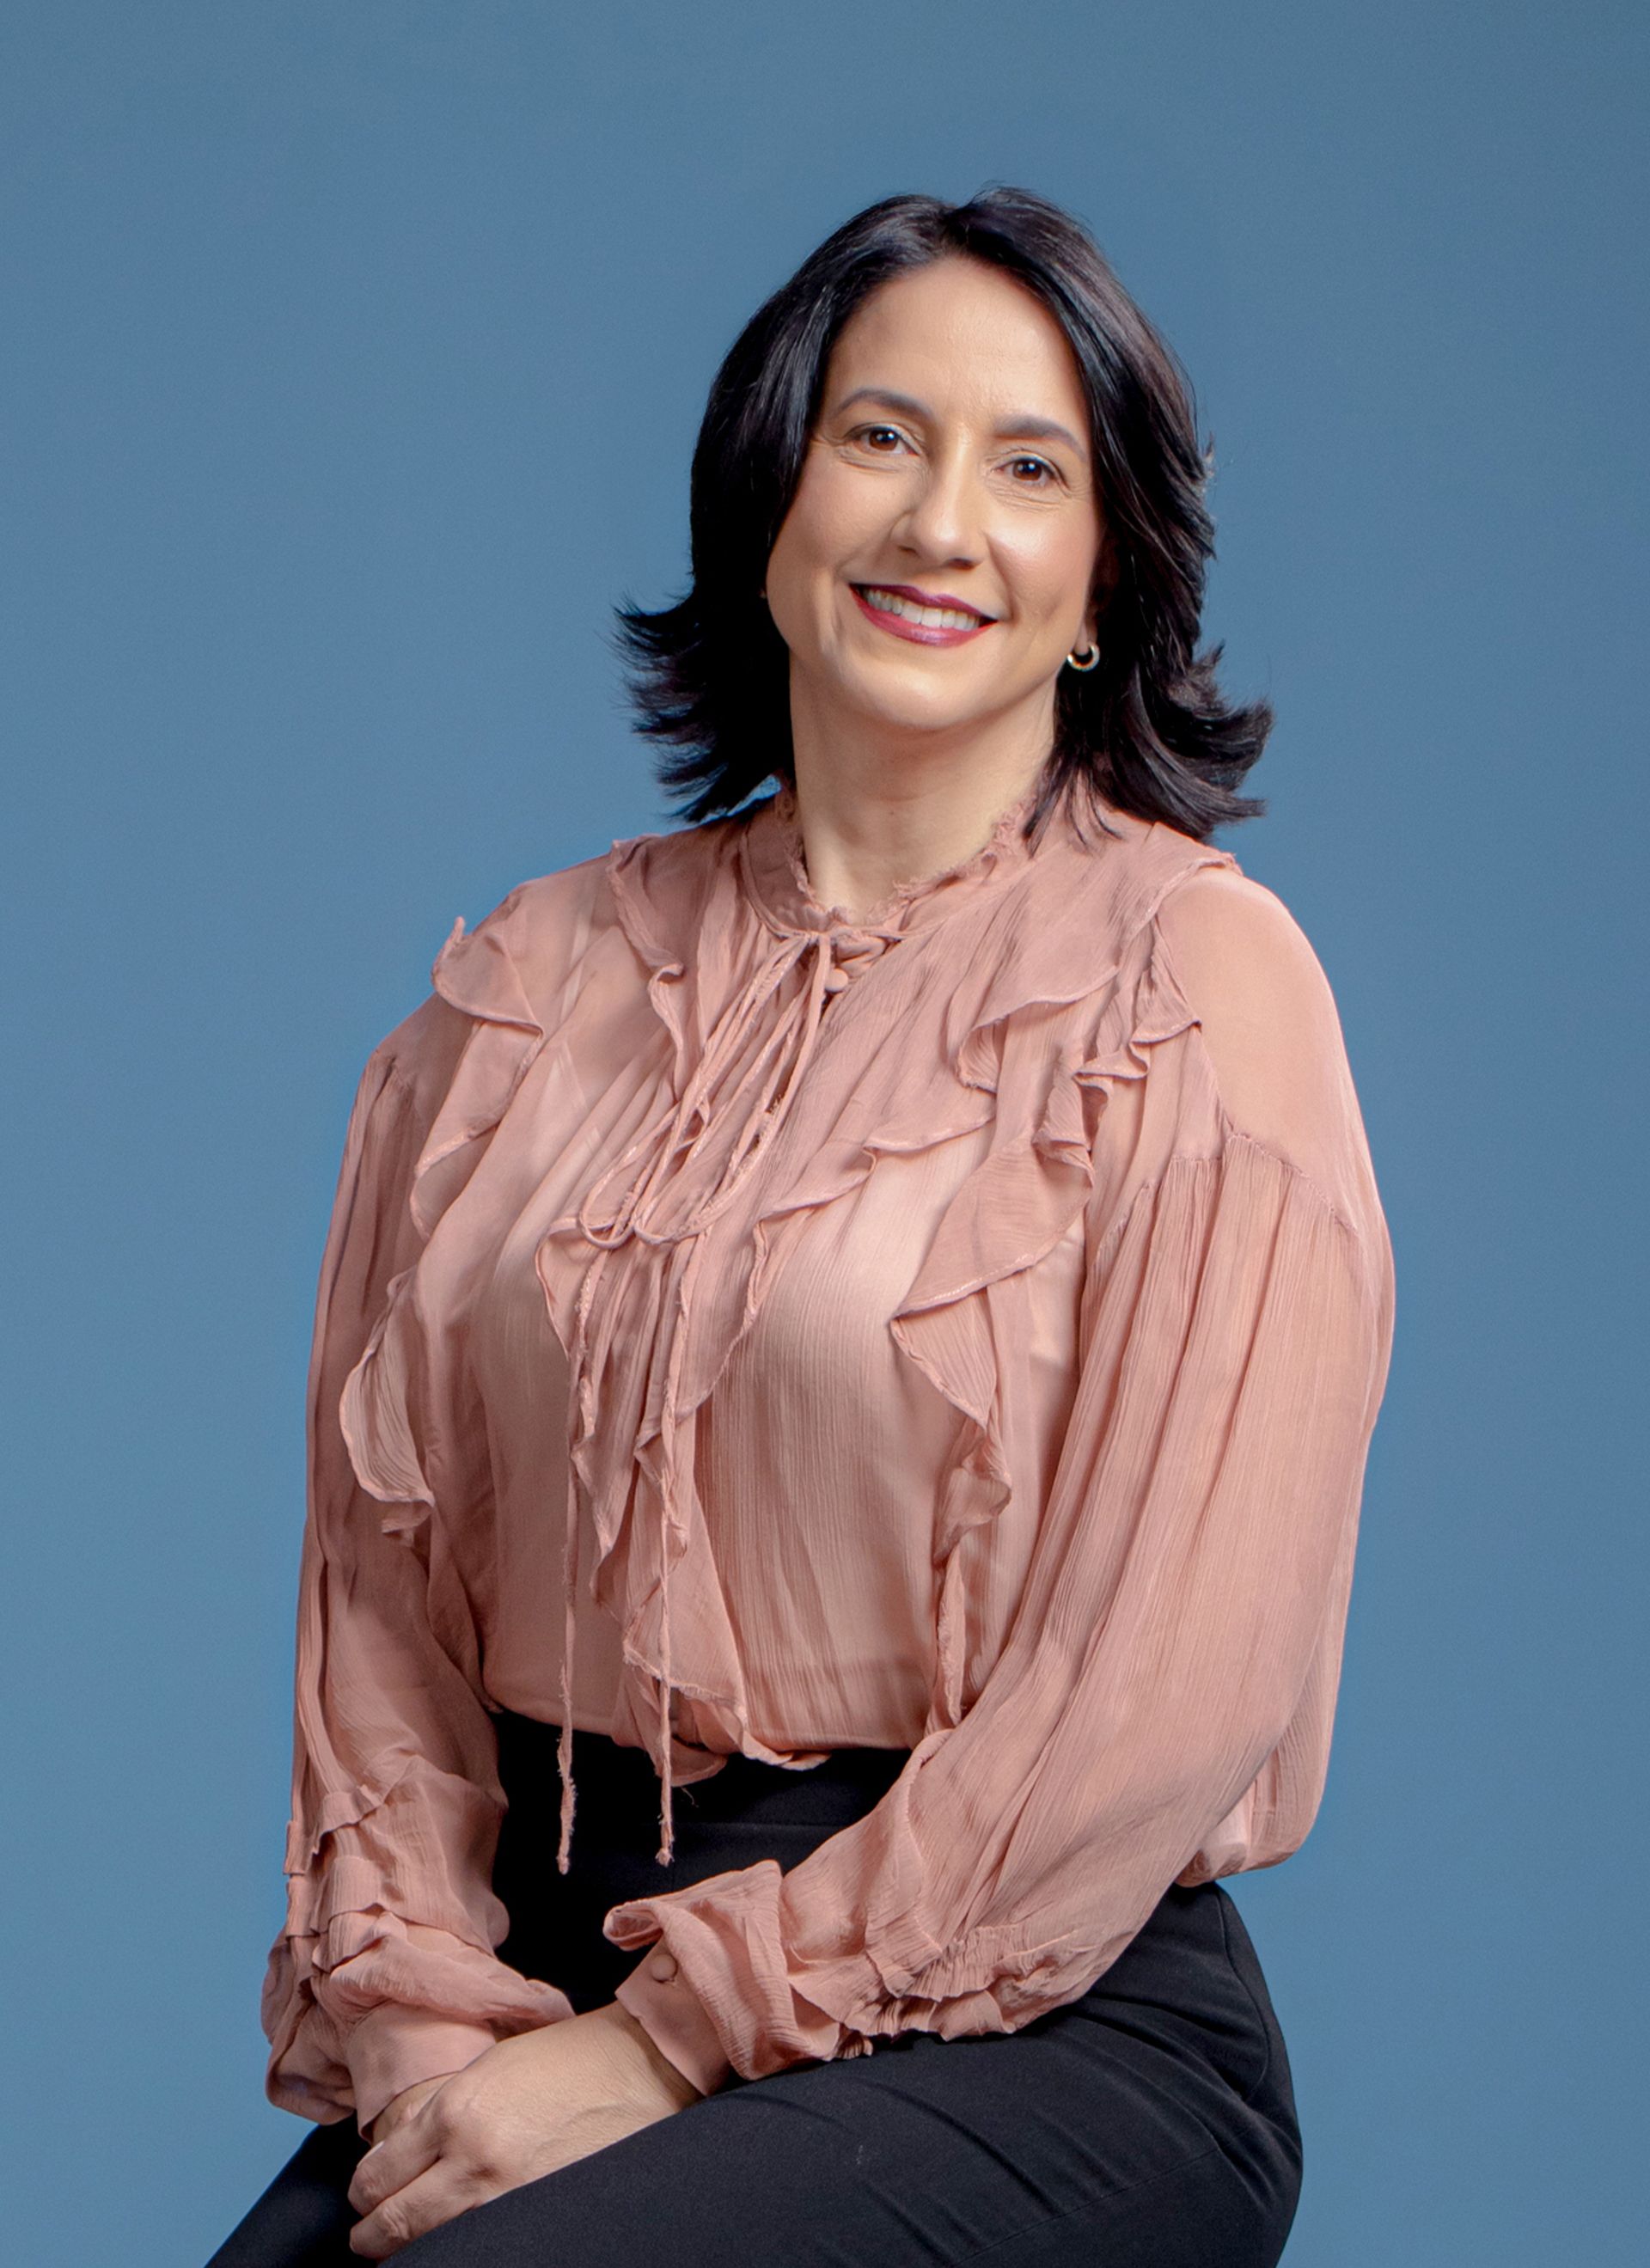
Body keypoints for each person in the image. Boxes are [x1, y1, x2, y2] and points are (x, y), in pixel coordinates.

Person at [206, 185, 1395, 2267]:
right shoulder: (519, 992)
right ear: (773, 496)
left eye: (1031, 468)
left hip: (1025, 2000)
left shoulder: (1202, 988)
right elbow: (379, 1597)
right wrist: (414, 2026)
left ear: (1102, 577)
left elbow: (1154, 1698)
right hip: (541, 1962)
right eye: (882, 436)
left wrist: (663, 2049)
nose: (943, 523)